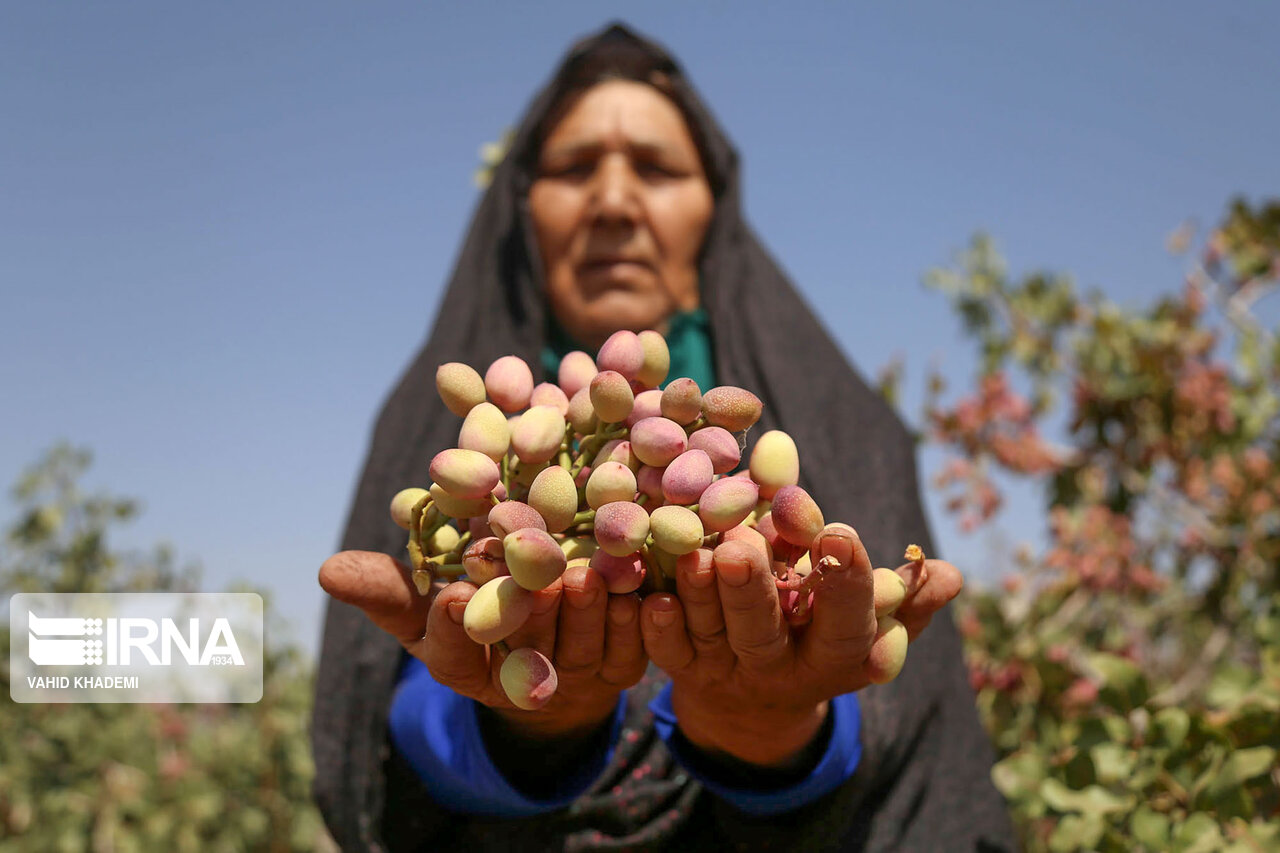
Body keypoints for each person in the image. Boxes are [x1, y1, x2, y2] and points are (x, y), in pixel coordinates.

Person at [312, 22, 1016, 852]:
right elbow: (374, 727)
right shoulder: (453, 429)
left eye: (656, 167)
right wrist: (529, 729)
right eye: (574, 168)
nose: (613, 201)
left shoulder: (844, 423)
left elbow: (918, 730)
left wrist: (774, 732)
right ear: (522, 209)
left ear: (713, 208)